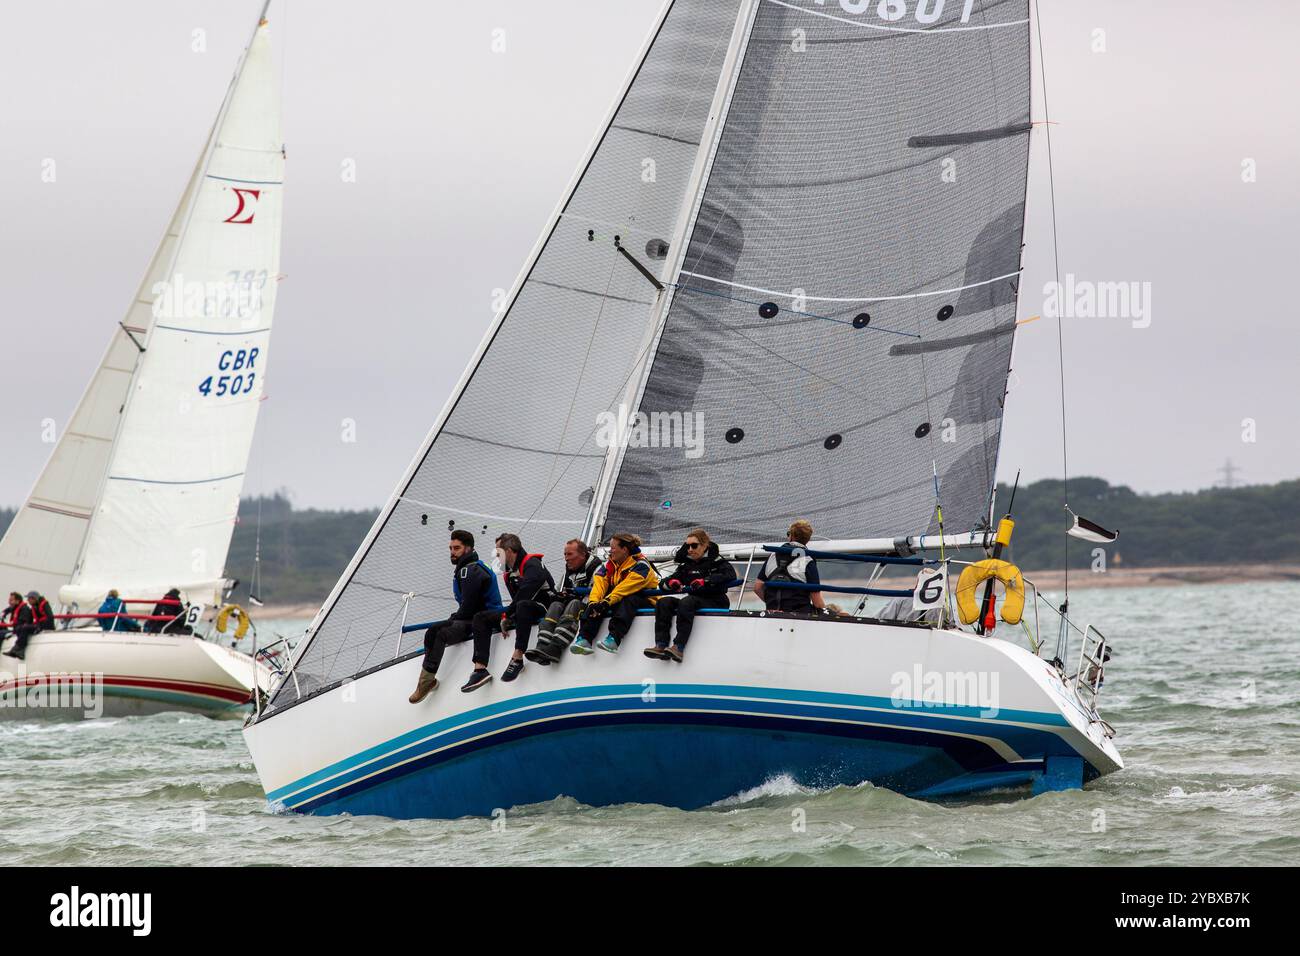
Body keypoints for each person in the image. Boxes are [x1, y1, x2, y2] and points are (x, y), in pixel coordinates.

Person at [409, 529, 505, 703]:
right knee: (434, 631)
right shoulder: (469, 568)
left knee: (436, 632)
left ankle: (426, 682)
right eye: (451, 548)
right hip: (474, 617)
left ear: (468, 549)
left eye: (457, 548)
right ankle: (427, 681)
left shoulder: (470, 570)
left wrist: (451, 620)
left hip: (484, 619)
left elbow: (469, 608)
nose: (452, 553)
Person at [645, 528, 734, 662]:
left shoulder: (718, 562)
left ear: (705, 546)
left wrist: (706, 581)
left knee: (687, 601)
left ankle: (679, 647)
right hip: (694, 600)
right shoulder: (687, 565)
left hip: (715, 600)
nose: (690, 549)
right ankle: (661, 646)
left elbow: (730, 576)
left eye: (694, 545)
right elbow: (663, 583)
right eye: (687, 546)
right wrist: (671, 583)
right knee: (664, 602)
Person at [477, 533, 556, 683]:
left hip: (545, 608)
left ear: (508, 551)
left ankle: (518, 656)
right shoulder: (508, 574)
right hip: (522, 609)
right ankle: (479, 669)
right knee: (481, 617)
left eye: (498, 552)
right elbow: (516, 601)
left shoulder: (532, 563)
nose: (496, 556)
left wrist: (508, 616)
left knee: (521, 605)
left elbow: (525, 593)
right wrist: (507, 617)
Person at [571, 532, 658, 655]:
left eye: (613, 548)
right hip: (618, 598)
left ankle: (614, 639)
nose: (610, 551)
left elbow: (625, 588)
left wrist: (606, 602)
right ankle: (584, 638)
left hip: (645, 601)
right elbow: (600, 583)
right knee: (595, 604)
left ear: (624, 549)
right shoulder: (611, 565)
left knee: (629, 599)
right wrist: (594, 602)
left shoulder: (642, 565)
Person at [525, 539, 601, 665]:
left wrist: (574, 595)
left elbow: (597, 593)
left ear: (583, 554)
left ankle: (555, 648)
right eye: (565, 554)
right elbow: (557, 591)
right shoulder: (567, 572)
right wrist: (559, 596)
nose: (566, 558)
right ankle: (542, 646)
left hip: (589, 606)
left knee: (574, 603)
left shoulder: (597, 569)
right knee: (555, 605)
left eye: (570, 554)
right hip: (571, 605)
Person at [753, 519, 824, 615]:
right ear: (807, 539)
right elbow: (816, 600)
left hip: (772, 613)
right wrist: (828, 612)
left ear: (791, 536)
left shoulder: (773, 555)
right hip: (799, 615)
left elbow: (757, 587)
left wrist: (771, 603)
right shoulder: (807, 560)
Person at [3, 591, 36, 660]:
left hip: (19, 630)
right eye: (9, 600)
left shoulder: (24, 609)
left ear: (17, 601)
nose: (9, 602)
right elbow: (8, 609)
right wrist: (4, 613)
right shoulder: (15, 607)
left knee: (1, 633)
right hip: (16, 629)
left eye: (11, 600)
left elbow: (22, 623)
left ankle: (17, 650)